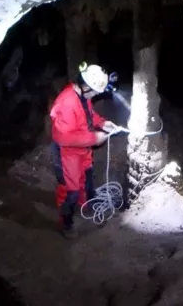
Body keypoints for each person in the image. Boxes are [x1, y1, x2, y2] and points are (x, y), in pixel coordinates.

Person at [49, 61, 118, 239]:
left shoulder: (82, 97)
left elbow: (88, 116)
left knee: (86, 180)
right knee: (70, 191)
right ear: (86, 86)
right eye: (94, 91)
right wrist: (95, 138)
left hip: (81, 149)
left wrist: (102, 123)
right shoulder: (66, 102)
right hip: (66, 153)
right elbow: (64, 138)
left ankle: (86, 205)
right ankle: (66, 223)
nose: (95, 95)